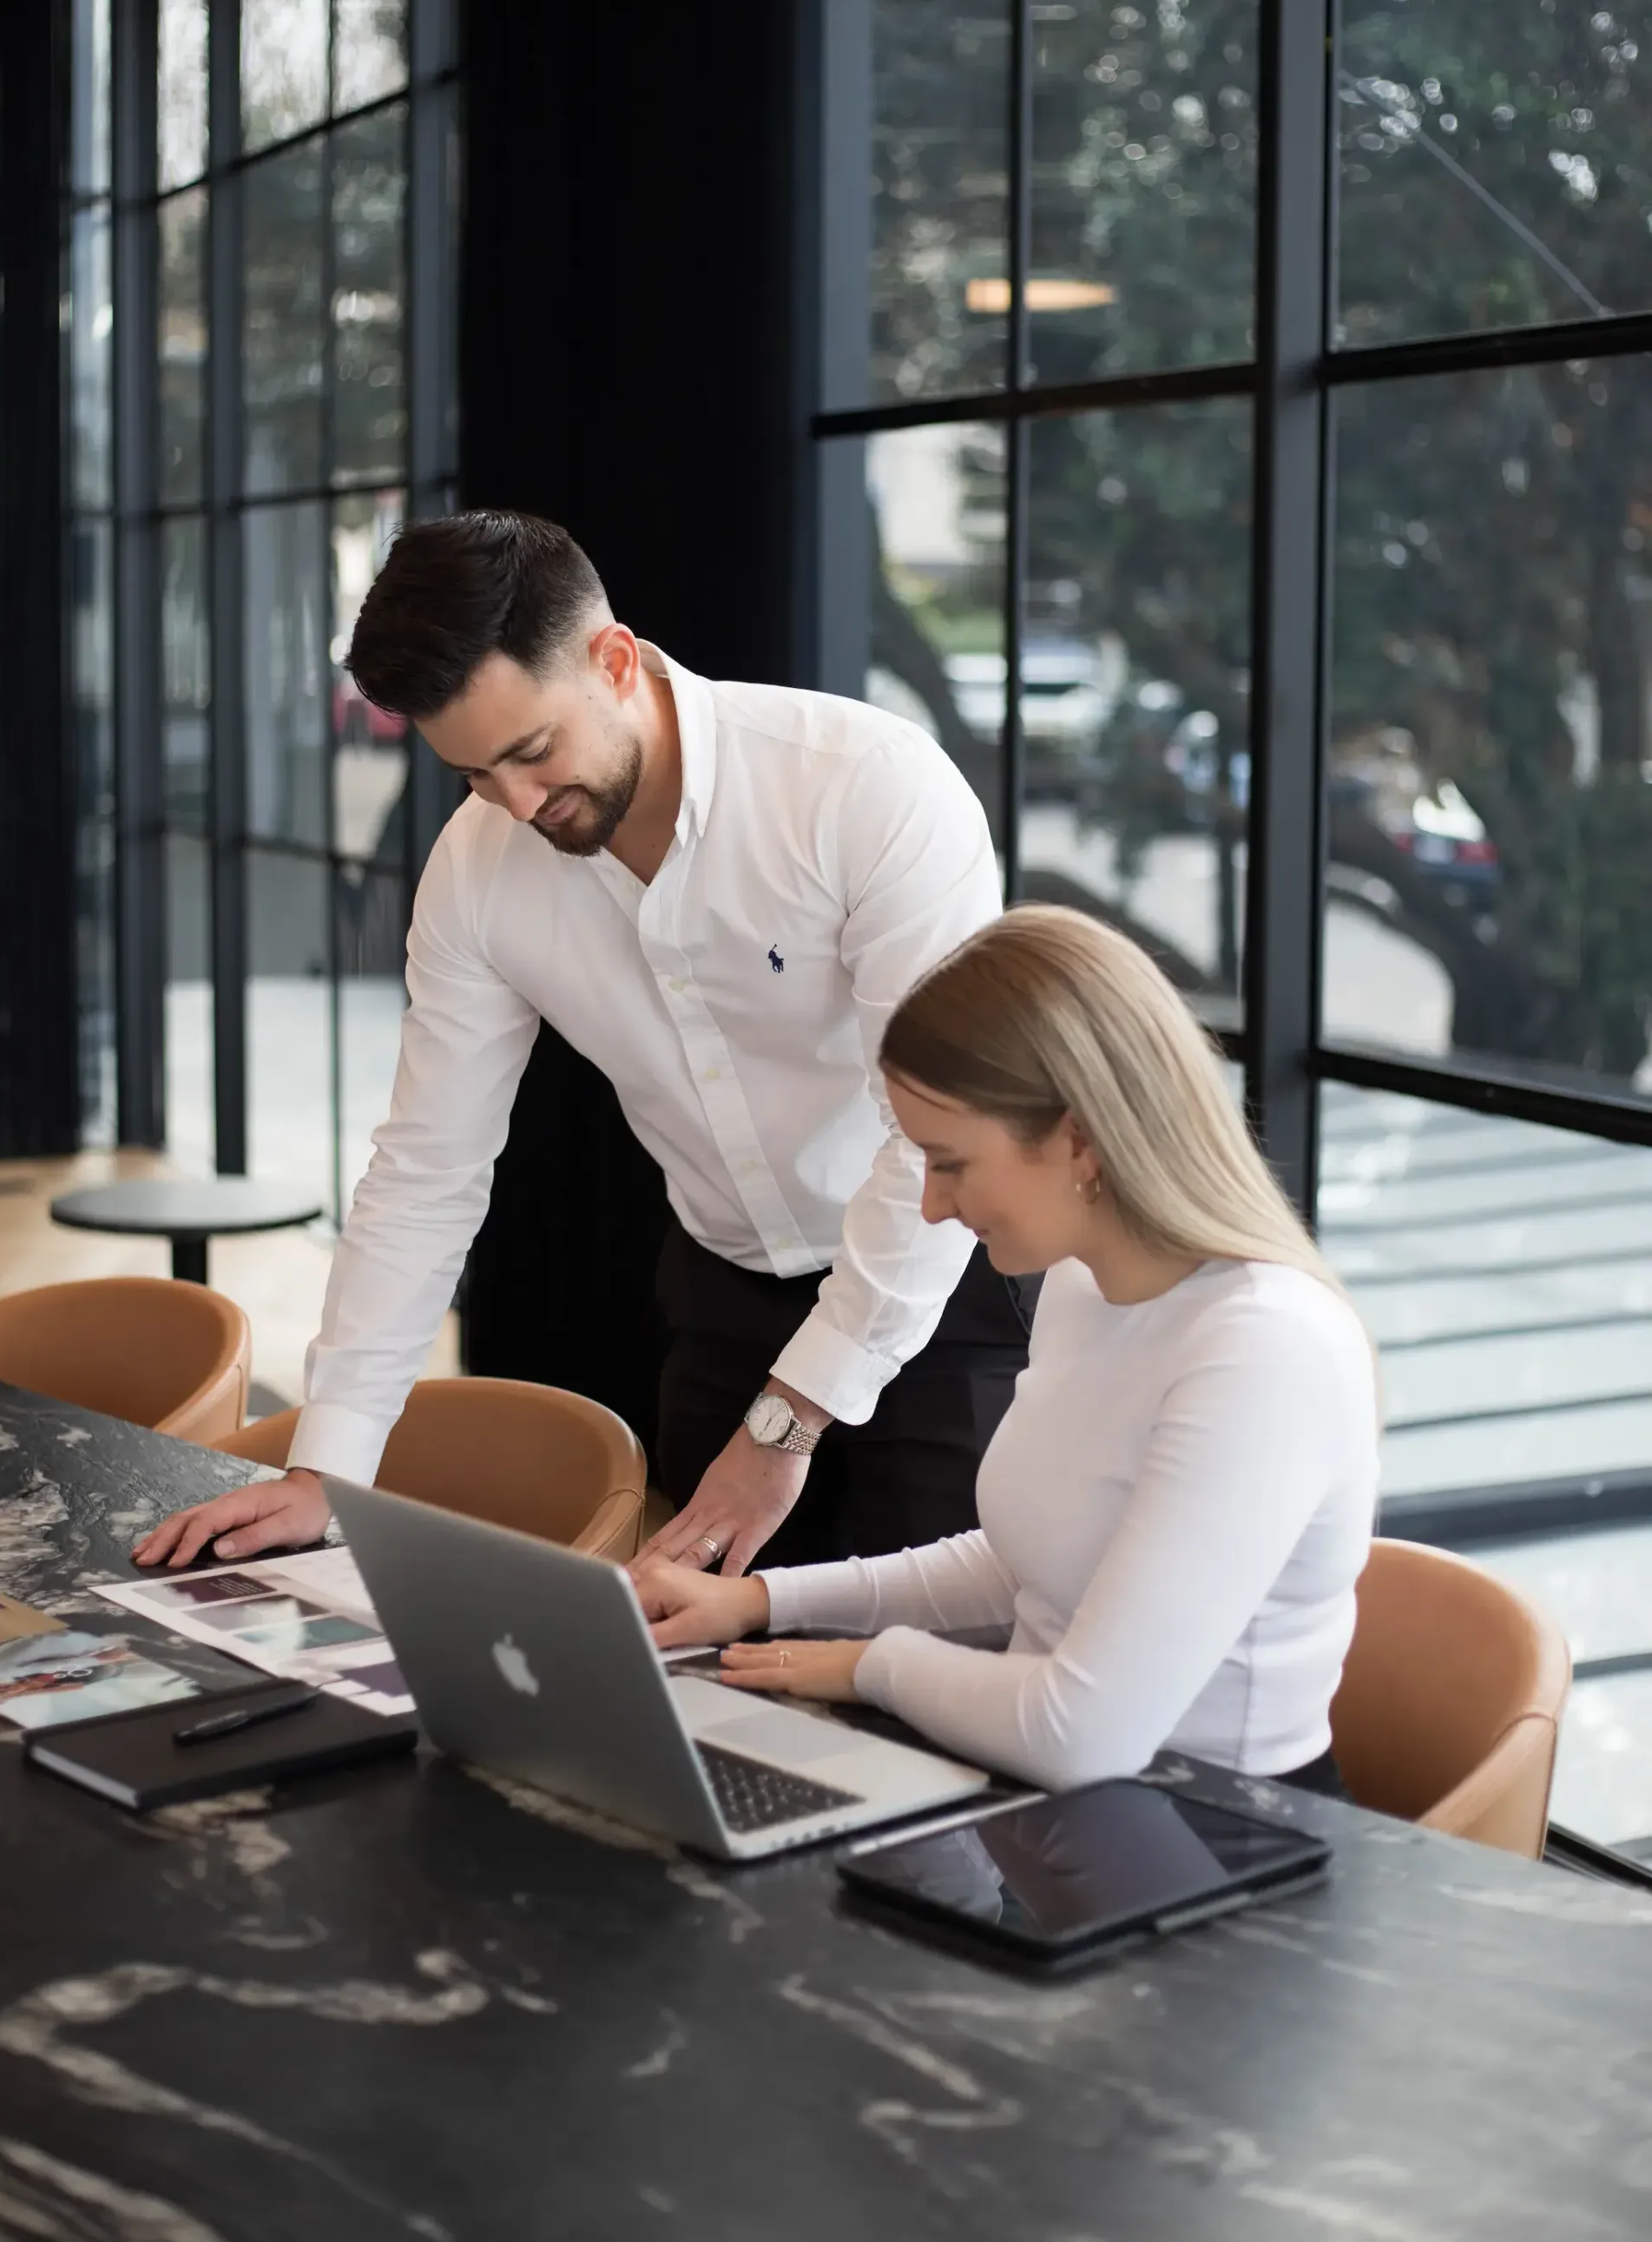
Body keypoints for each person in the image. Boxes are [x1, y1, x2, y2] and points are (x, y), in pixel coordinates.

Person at [135, 511, 1036, 1578]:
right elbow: (427, 1169)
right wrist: (327, 1467)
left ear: (615, 660)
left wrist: (789, 1422)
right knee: (714, 1678)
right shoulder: (477, 871)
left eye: (529, 752)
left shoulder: (864, 788)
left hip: (945, 1275)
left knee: (934, 1673)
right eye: (473, 776)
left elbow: (933, 1137)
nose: (514, 805)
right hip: (726, 1291)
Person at [637, 906, 1379, 1794]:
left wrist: (863, 1666)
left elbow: (1081, 1735)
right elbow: (1028, 1567)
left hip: (1228, 1846)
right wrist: (762, 1603)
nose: (932, 1208)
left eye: (949, 1163)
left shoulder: (1264, 1351)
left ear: (1077, 1137)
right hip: (1072, 1814)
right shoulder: (1080, 1284)